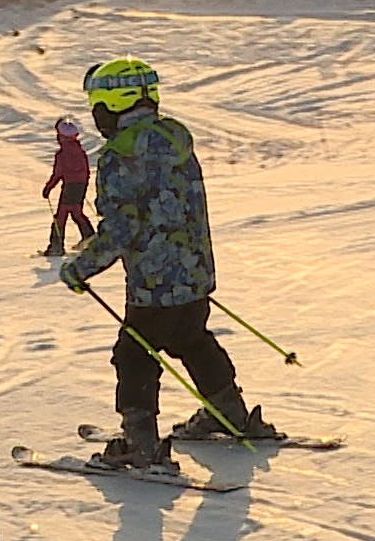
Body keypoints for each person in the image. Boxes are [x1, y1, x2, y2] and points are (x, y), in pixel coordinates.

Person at [58, 57, 276, 470]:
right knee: (191, 338)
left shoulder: (121, 156)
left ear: (113, 106)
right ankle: (228, 411)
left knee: (134, 353)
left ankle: (140, 442)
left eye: (97, 107)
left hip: (153, 283)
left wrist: (80, 268)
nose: (95, 117)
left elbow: (121, 229)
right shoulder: (176, 140)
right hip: (194, 275)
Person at [42, 115, 95, 257]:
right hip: (80, 185)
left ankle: (56, 246)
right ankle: (89, 237)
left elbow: (58, 173)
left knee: (61, 215)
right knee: (76, 212)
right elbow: (86, 170)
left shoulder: (62, 154)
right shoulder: (80, 151)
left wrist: (48, 188)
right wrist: (83, 184)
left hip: (70, 186)